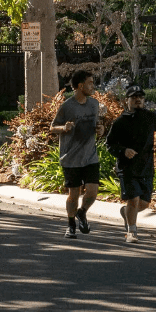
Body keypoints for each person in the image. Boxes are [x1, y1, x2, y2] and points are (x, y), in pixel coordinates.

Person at [105, 84, 156, 243]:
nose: (138, 99)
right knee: (133, 200)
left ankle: (126, 213)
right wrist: (123, 150)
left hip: (146, 167)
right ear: (127, 101)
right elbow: (110, 144)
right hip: (127, 168)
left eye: (140, 97)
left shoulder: (151, 117)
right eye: (134, 97)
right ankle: (131, 232)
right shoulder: (120, 122)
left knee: (144, 204)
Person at [50, 69, 102, 238]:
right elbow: (52, 127)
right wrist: (64, 128)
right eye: (90, 83)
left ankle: (82, 212)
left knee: (93, 192)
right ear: (80, 86)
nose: (93, 86)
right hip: (71, 157)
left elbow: (97, 126)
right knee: (74, 194)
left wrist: (100, 129)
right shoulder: (67, 106)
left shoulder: (94, 104)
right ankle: (71, 224)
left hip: (90, 156)